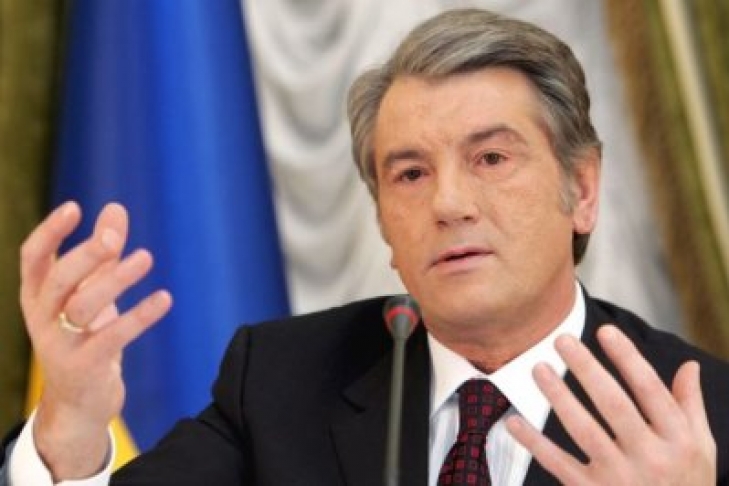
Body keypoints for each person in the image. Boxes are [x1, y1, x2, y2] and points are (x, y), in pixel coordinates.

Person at [2, 8, 728, 486]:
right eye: (409, 174)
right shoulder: (281, 381)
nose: (447, 204)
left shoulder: (704, 416)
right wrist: (72, 423)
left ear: (583, 188)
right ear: (383, 221)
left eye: (490, 159)